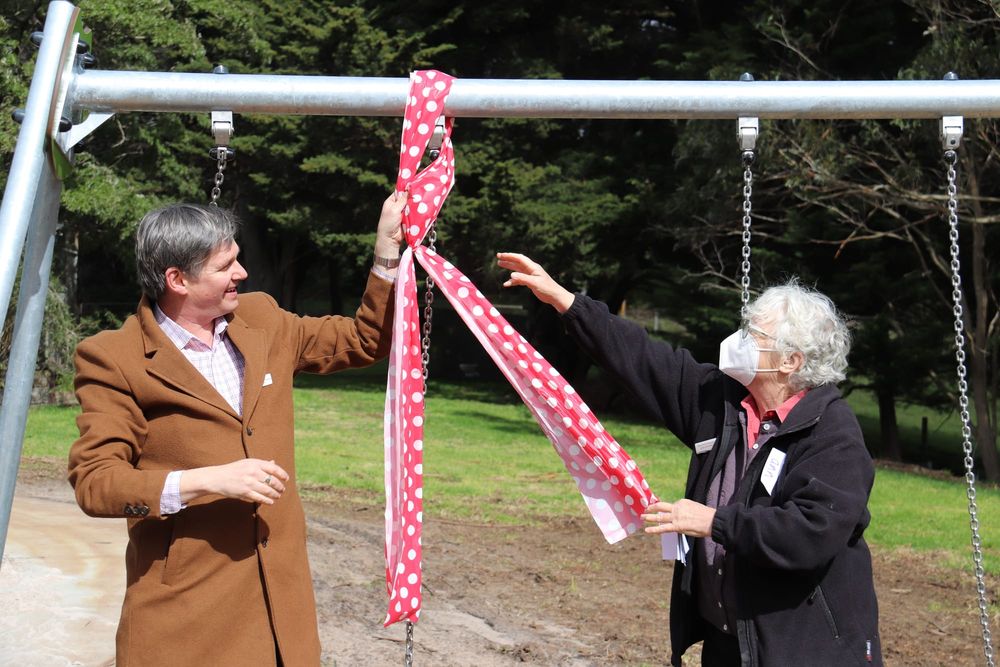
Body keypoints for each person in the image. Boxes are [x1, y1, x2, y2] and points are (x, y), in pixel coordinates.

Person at [68, 193, 406, 666]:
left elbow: (365, 339)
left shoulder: (262, 317)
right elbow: (95, 483)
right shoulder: (113, 357)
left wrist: (386, 250)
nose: (241, 273)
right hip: (186, 615)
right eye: (226, 265)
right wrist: (205, 480)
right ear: (177, 279)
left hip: (280, 609)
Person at [497, 252, 882, 667]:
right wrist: (565, 301)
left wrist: (713, 522)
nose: (740, 341)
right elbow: (644, 360)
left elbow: (810, 533)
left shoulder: (833, 435)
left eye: (755, 335)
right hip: (728, 644)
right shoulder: (724, 403)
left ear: (791, 362)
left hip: (805, 652)